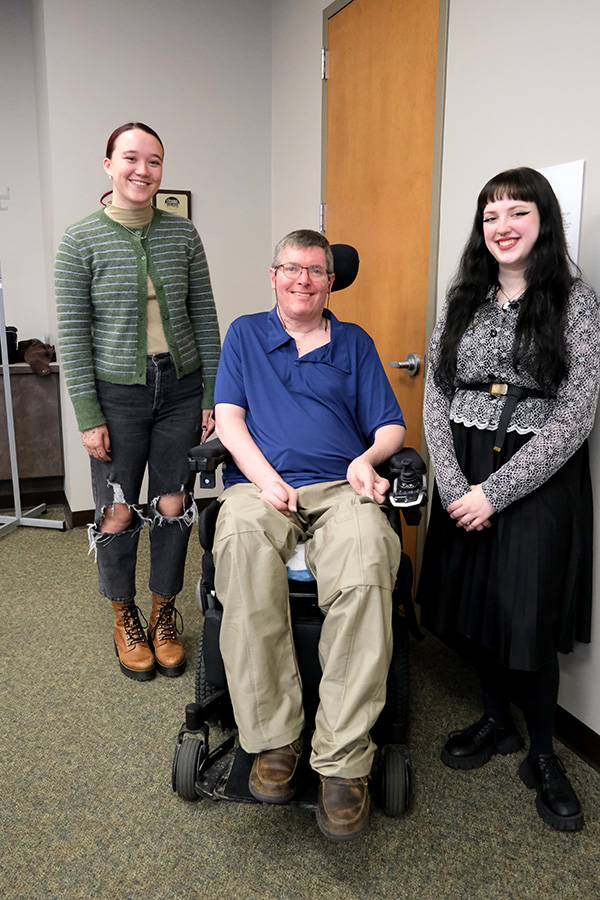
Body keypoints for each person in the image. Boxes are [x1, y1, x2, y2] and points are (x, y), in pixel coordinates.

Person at [417, 167, 600, 832]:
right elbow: (436, 394)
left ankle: (546, 755)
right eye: (491, 216)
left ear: (543, 221)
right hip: (463, 466)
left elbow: (578, 411)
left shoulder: (575, 302)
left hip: (535, 477)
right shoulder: (463, 297)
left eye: (516, 213)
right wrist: (453, 482)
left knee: (527, 613)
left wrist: (495, 492)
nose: (502, 227)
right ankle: (497, 721)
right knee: (478, 606)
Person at [212, 229, 405, 841]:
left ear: (330, 280)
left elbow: (391, 426)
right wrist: (266, 481)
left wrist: (366, 460)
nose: (303, 280)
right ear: (273, 276)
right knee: (239, 539)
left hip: (341, 486)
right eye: (291, 269)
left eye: (315, 271)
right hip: (264, 487)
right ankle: (274, 739)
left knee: (370, 553)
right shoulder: (246, 334)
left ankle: (344, 761)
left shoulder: (354, 342)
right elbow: (229, 420)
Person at [55, 122, 221, 682]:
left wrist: (210, 395)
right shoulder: (80, 240)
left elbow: (205, 320)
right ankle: (124, 613)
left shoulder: (183, 236)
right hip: (116, 394)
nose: (142, 170)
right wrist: (87, 415)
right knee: (119, 511)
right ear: (108, 164)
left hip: (180, 389)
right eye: (130, 158)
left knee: (173, 504)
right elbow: (74, 336)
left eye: (153, 161)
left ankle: (164, 610)